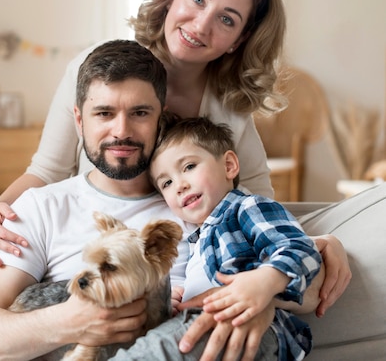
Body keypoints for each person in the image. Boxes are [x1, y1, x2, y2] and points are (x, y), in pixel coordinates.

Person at [0, 0, 351, 320]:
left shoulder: (230, 109)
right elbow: (46, 170)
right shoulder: (97, 70)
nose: (201, 25)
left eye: (227, 19)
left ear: (240, 37)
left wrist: (312, 243)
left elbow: (258, 206)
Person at [0, 40, 286, 361]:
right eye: (104, 113)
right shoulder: (41, 208)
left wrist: (264, 300)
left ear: (161, 118)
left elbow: (293, 270)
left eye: (140, 113)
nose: (121, 130)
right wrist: (72, 322)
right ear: (79, 120)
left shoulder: (200, 203)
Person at [135, 115, 323, 360]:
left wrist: (266, 279)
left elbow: (300, 248)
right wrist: (177, 299)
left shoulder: (246, 208)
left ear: (229, 166)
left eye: (189, 167)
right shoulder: (197, 239)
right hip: (201, 322)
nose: (179, 185)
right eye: (167, 182)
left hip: (256, 327)